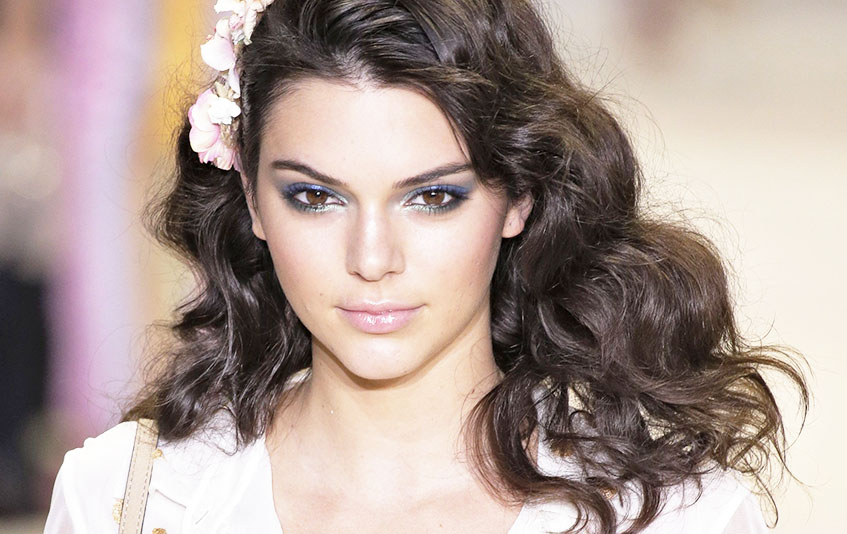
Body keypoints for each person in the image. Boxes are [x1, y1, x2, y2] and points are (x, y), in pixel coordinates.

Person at [43, 0, 808, 533]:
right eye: (315, 197)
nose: (371, 258)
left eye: (432, 198)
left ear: (519, 198)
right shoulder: (128, 501)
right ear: (250, 200)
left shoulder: (674, 518)